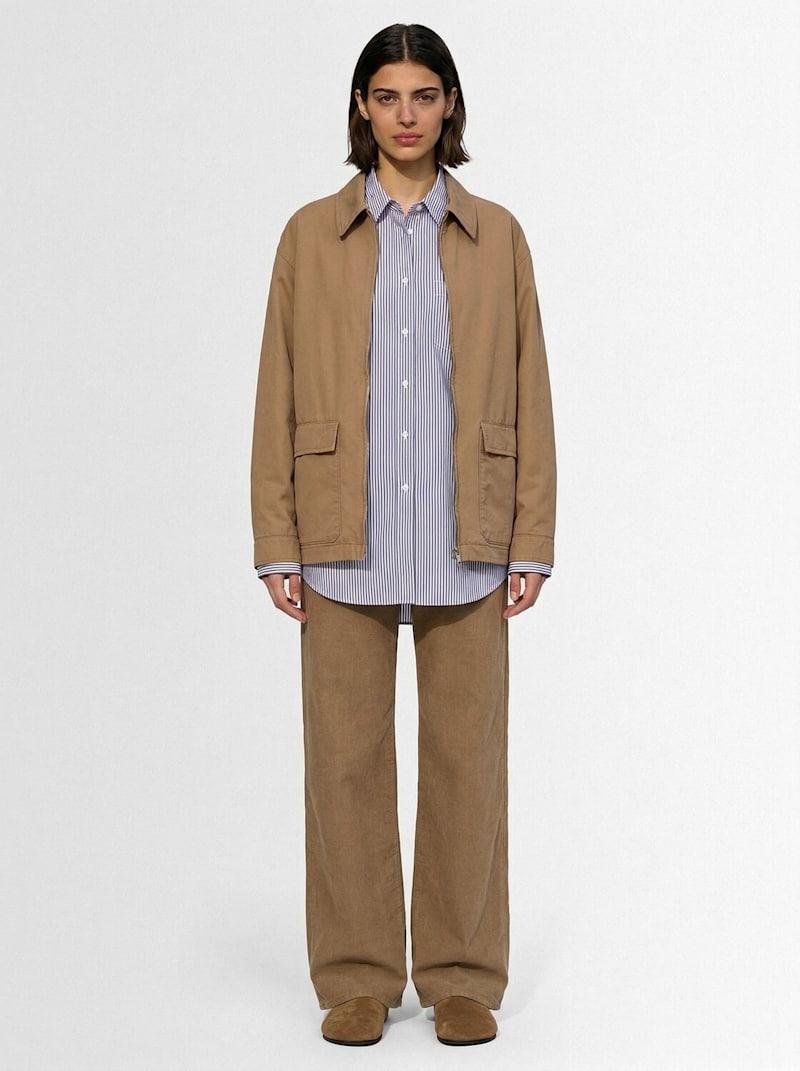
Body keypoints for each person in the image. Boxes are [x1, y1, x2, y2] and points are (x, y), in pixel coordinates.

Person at [250, 22, 557, 1047]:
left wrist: (530, 536)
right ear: (361, 109)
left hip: (469, 534)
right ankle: (358, 976)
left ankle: (462, 975)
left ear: (450, 105)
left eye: (424, 95)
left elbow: (531, 387)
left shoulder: (498, 235)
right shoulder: (309, 236)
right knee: (342, 763)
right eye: (386, 97)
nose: (406, 115)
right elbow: (277, 388)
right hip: (342, 535)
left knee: (468, 762)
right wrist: (278, 538)